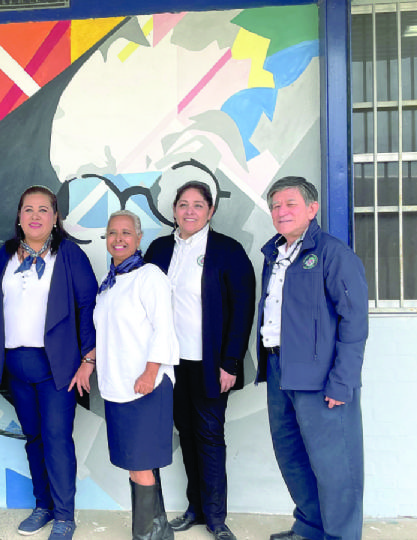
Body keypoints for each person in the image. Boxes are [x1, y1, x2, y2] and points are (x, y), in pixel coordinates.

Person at [255, 177, 369, 540]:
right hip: (279, 370)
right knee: (292, 456)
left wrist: (343, 380)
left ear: (312, 208)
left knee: (336, 465)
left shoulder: (333, 254)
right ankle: (310, 527)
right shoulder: (274, 254)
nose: (281, 211)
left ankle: (340, 535)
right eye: (275, 206)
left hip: (321, 378)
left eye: (289, 204)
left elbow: (354, 322)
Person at [144, 181, 255, 540]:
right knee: (187, 435)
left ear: (210, 210)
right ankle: (195, 508)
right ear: (174, 209)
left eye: (197, 204)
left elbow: (242, 310)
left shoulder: (227, 250)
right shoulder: (160, 249)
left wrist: (231, 362)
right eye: (183, 204)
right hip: (170, 365)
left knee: (209, 435)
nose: (189, 211)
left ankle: (217, 518)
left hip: (210, 364)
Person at [0, 186, 98, 540]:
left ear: (55, 218)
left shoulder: (69, 255)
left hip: (58, 367)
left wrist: (88, 359)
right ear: (19, 217)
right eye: (28, 210)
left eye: (43, 210)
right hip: (16, 367)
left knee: (56, 438)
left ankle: (65, 515)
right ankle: (43, 505)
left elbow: (87, 307)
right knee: (33, 438)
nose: (35, 216)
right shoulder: (4, 256)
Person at [94, 210, 178, 540]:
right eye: (112, 232)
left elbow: (164, 328)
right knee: (136, 463)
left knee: (141, 464)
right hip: (118, 386)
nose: (119, 238)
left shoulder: (150, 276)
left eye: (126, 232)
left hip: (146, 386)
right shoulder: (110, 284)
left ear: (139, 238)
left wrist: (151, 371)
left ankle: (143, 536)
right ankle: (159, 530)